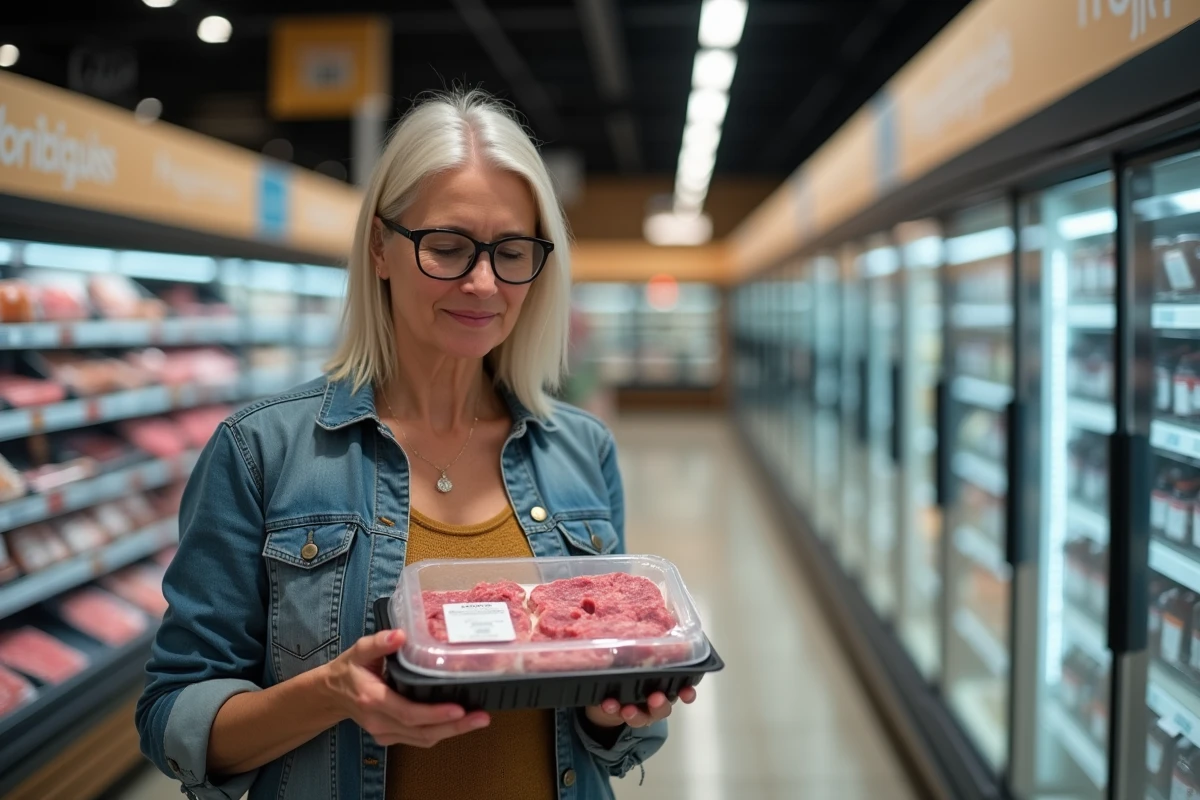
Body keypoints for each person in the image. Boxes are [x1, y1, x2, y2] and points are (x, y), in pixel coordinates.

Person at [134, 89, 697, 800]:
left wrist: (614, 711)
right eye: (448, 247)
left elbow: (612, 741)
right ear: (380, 247)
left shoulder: (581, 449)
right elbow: (173, 717)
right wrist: (334, 693)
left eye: (511, 251)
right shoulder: (261, 452)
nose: (483, 282)